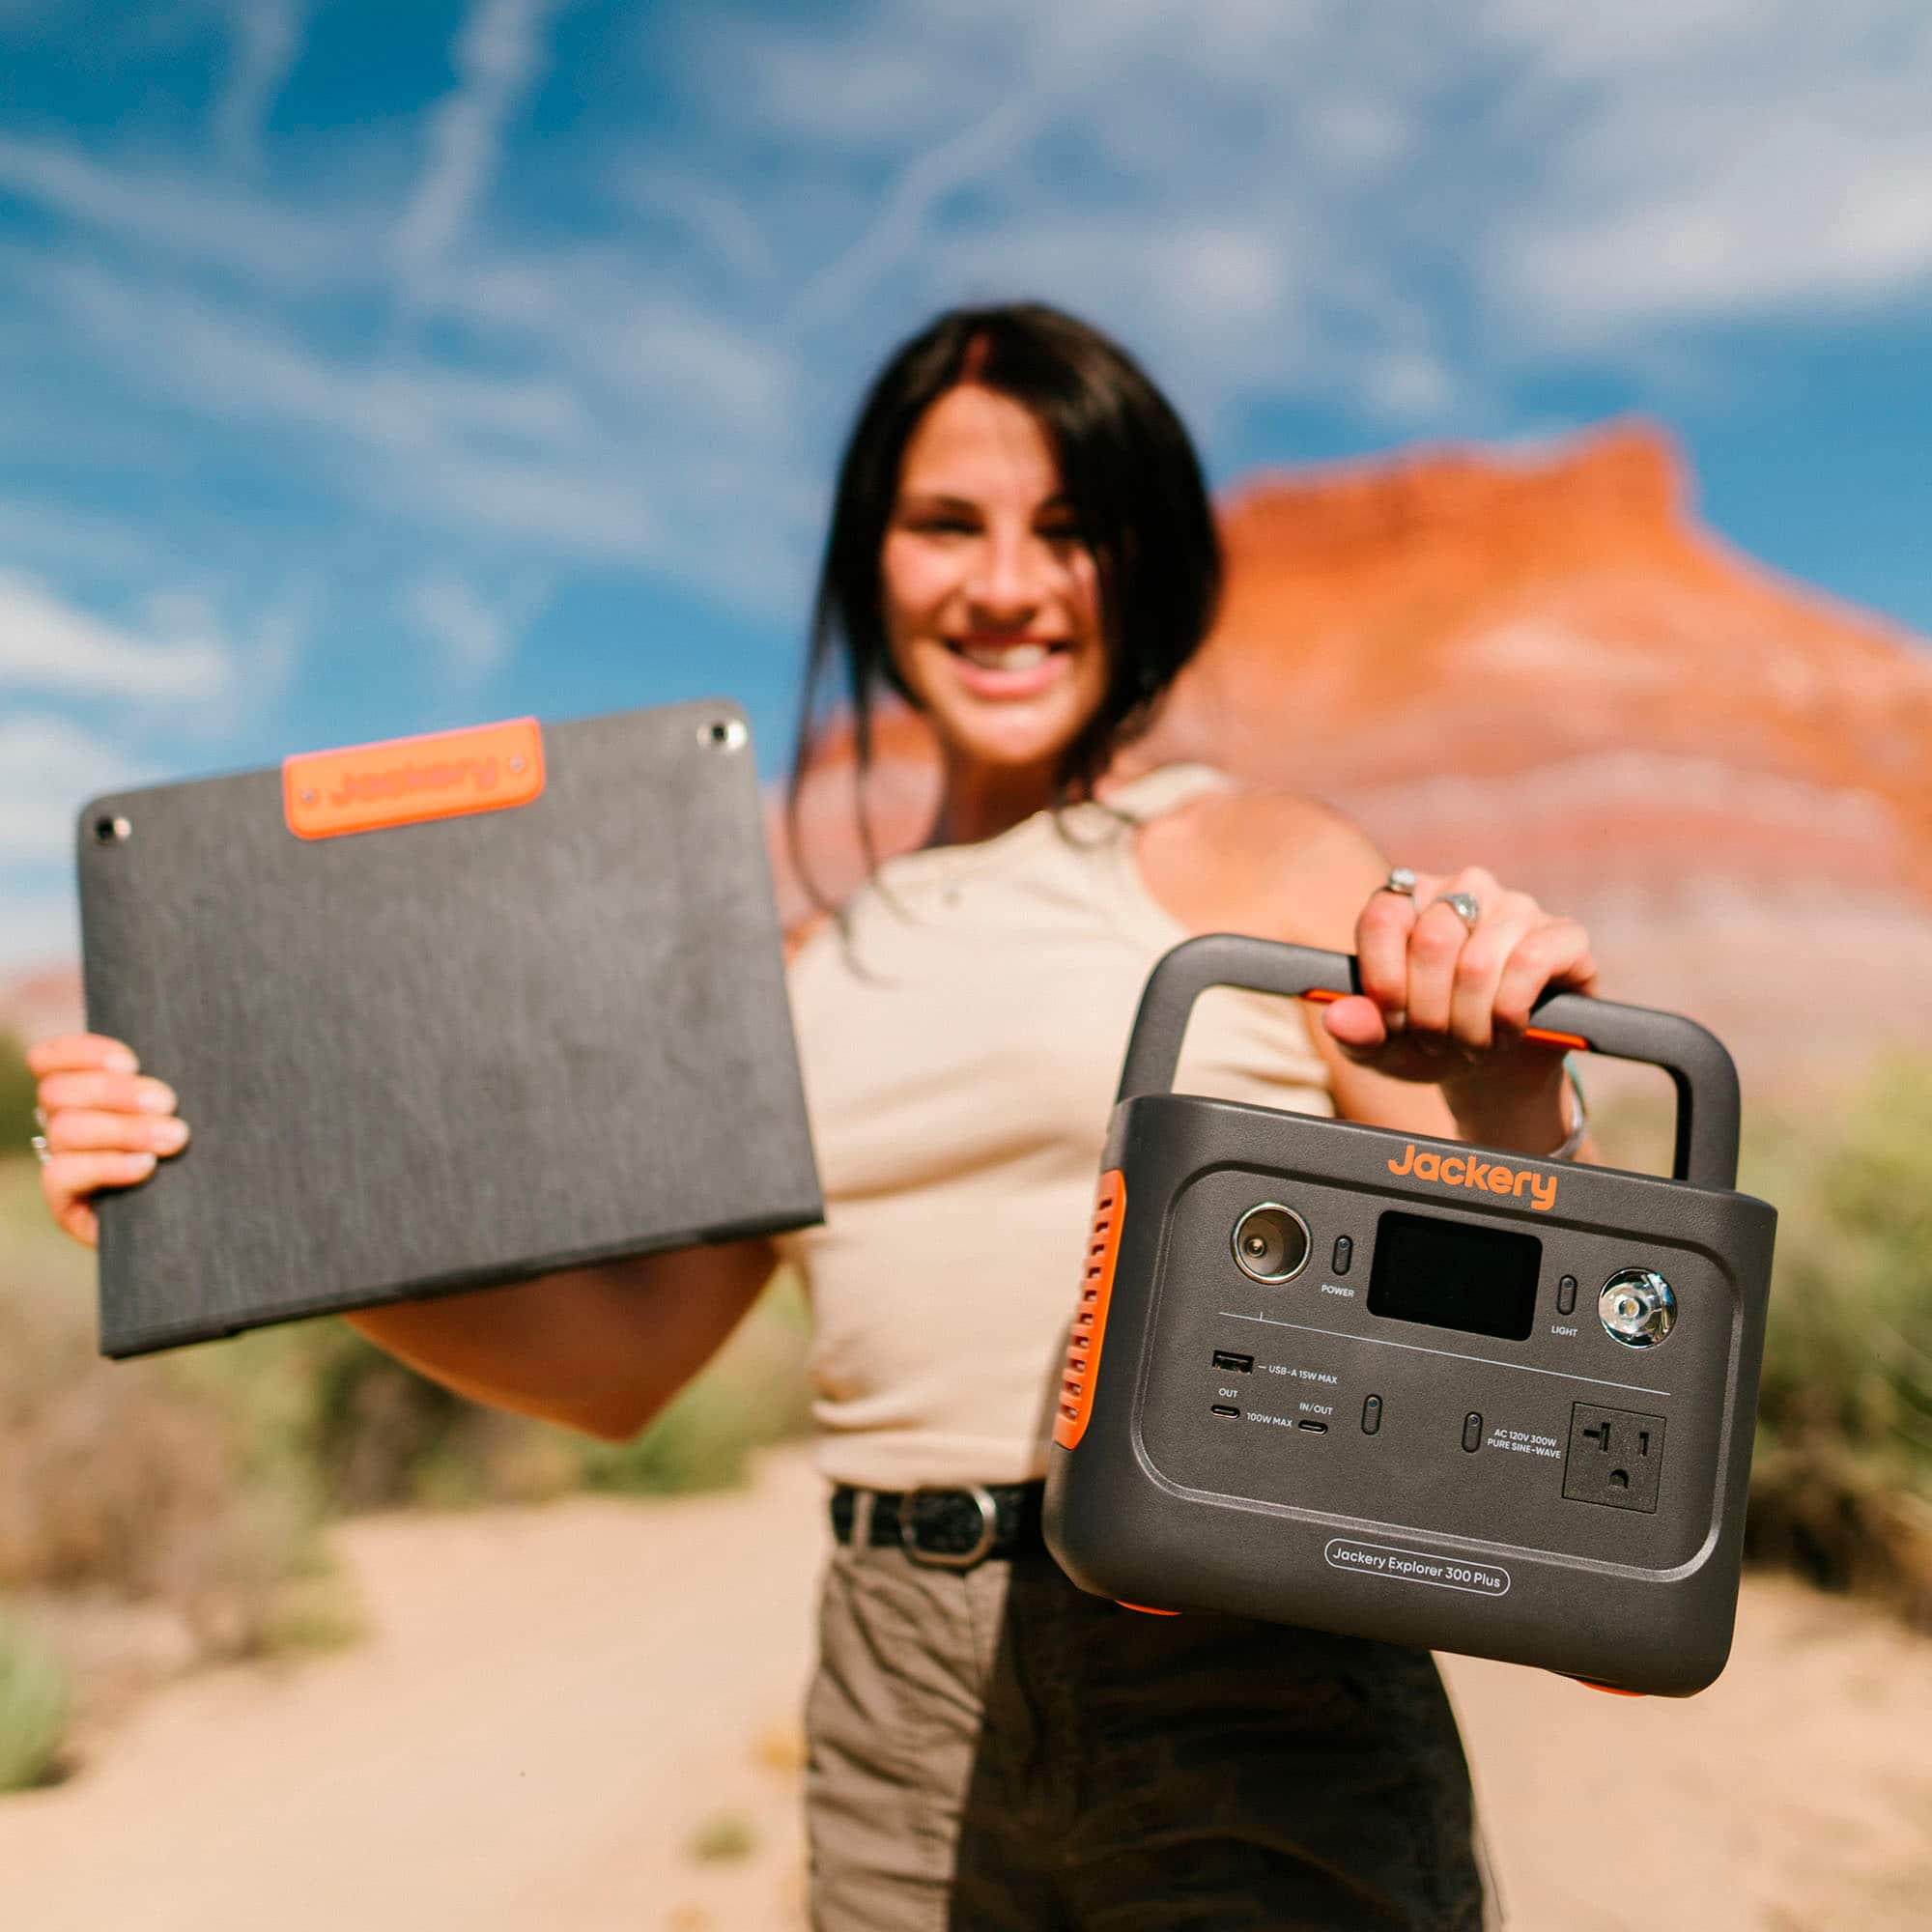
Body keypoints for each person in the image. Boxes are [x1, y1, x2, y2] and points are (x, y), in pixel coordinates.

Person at [32, 301, 1599, 1928]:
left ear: (1146, 564)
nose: (1006, 584)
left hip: (1247, 1677)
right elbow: (624, 1362)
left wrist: (1512, 1111)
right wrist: (248, 1200)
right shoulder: (798, 968)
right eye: (947, 527)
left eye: (1069, 530)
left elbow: (1534, 1377)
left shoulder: (1267, 863)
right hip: (890, 1693)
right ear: (871, 562)